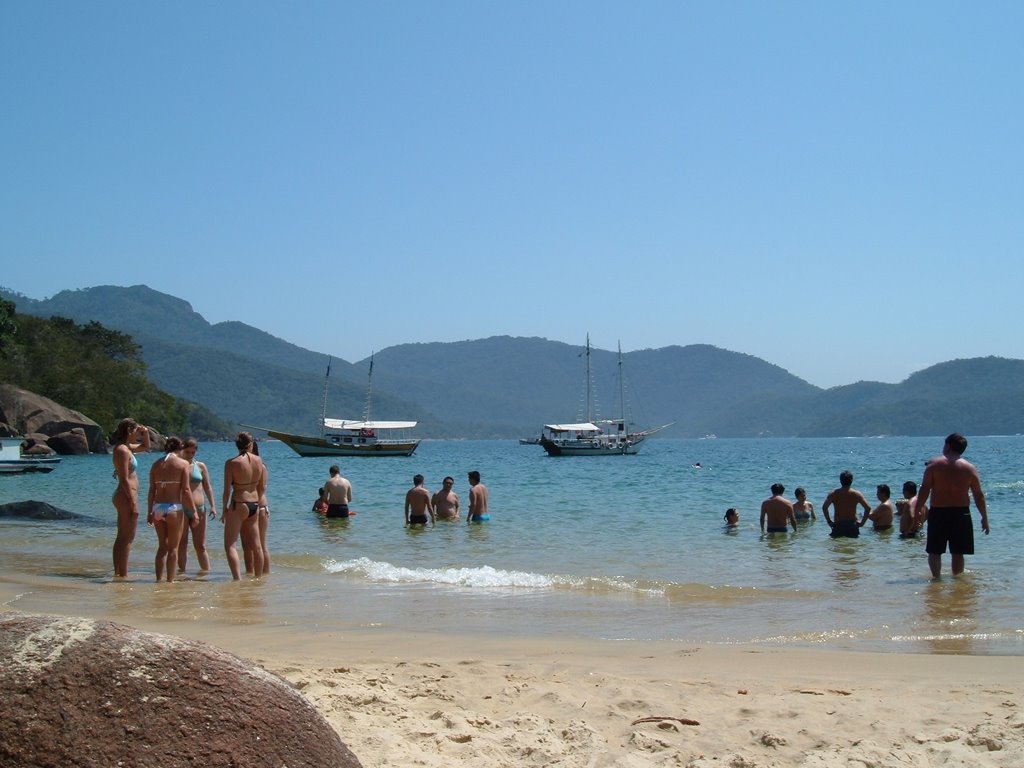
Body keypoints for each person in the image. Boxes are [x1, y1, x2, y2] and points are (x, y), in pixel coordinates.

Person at [914, 433, 989, 577]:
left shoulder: (934, 465)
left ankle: (936, 579)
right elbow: (978, 495)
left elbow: (924, 489)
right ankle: (957, 581)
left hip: (938, 512)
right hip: (961, 513)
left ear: (948, 446)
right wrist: (984, 517)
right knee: (958, 552)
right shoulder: (970, 468)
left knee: (935, 551)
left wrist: (918, 510)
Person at [146, 436, 197, 582]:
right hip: (174, 508)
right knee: (173, 548)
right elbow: (186, 491)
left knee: (162, 547)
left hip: (158, 508)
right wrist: (193, 512)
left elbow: (151, 490)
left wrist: (149, 512)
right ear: (180, 448)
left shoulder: (156, 464)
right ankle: (170, 581)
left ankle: (158, 579)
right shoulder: (182, 464)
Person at [222, 432, 266, 580]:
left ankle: (237, 579)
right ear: (251, 444)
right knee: (257, 545)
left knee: (230, 545)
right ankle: (258, 579)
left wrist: (224, 509)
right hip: (254, 503)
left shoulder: (231, 463)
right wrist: (258, 500)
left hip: (239, 503)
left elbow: (227, 490)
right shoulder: (258, 460)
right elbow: (262, 486)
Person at [110, 417, 150, 577]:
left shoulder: (128, 448)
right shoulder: (121, 450)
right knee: (127, 537)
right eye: (136, 430)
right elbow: (124, 478)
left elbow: (146, 447)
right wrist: (133, 502)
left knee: (124, 536)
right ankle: (122, 574)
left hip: (127, 495)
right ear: (129, 431)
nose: (137, 433)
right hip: (126, 495)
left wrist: (145, 432)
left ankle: (119, 572)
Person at [177, 437, 216, 574]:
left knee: (200, 545)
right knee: (182, 544)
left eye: (193, 452)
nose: (190, 455)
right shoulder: (178, 465)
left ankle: (206, 573)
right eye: (188, 452)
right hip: (181, 508)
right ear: (182, 450)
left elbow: (207, 487)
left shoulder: (200, 466)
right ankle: (182, 573)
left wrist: (213, 505)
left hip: (199, 508)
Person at [244, 440, 271, 576]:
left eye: (249, 447)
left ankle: (264, 575)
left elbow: (262, 487)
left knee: (260, 543)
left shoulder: (261, 466)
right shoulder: (239, 464)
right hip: (245, 505)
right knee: (246, 545)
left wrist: (253, 501)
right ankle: (249, 573)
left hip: (259, 506)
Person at [822, 470, 871, 538]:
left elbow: (824, 507)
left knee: (837, 547)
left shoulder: (833, 494)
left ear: (840, 480)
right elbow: (868, 508)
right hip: (852, 525)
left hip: (838, 524)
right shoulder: (857, 494)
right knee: (852, 547)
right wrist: (862, 523)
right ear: (852, 480)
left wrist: (829, 521)